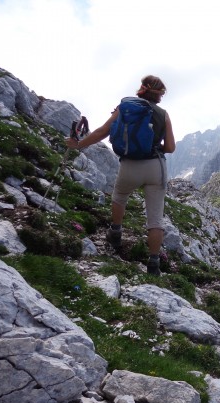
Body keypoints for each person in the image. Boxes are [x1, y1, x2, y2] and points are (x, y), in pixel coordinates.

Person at [66, 75, 176, 275]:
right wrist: (153, 144)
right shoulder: (163, 114)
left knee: (119, 196)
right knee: (155, 218)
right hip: (155, 167)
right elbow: (170, 147)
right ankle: (153, 264)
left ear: (142, 89)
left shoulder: (125, 106)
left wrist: (79, 145)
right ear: (160, 95)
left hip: (129, 165)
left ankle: (115, 233)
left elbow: (102, 131)